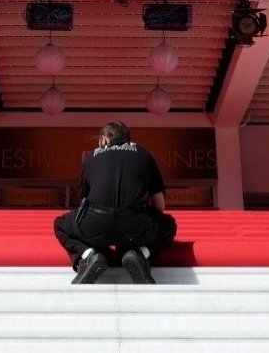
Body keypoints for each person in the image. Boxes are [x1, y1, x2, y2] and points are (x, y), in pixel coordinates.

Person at [53, 121, 177, 284]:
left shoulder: (90, 157)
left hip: (95, 225)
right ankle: (139, 254)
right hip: (135, 226)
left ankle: (89, 255)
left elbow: (85, 201)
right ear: (126, 139)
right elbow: (159, 205)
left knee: (60, 224)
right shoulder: (143, 154)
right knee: (169, 225)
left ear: (103, 139)